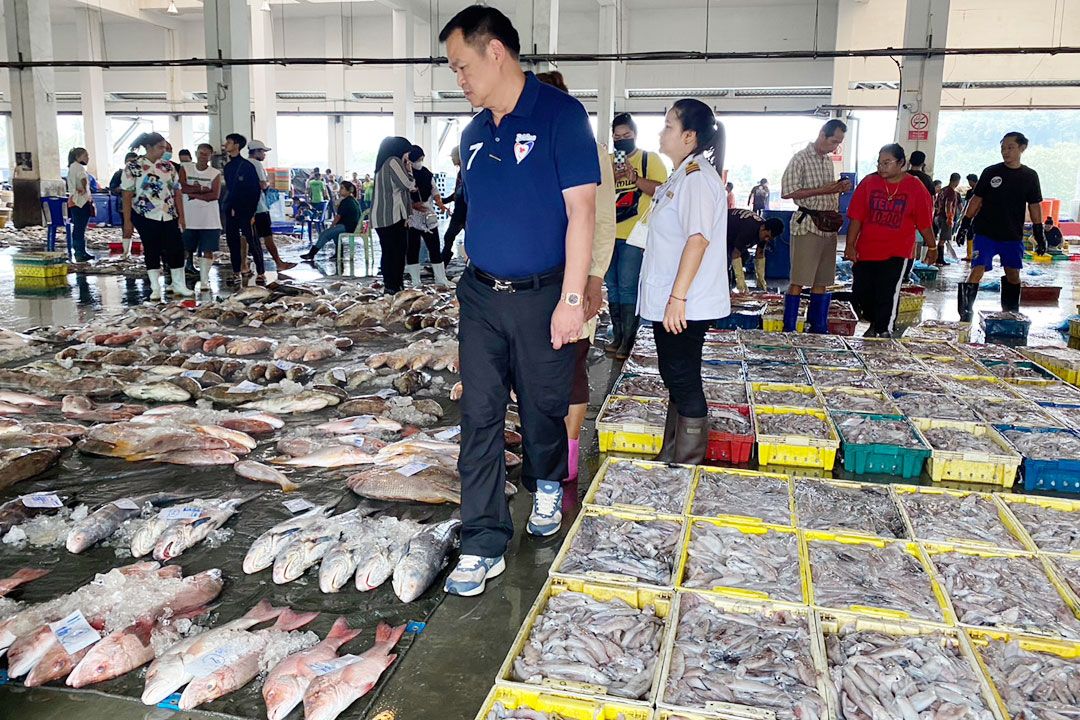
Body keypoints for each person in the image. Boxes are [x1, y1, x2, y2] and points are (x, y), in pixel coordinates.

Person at [438, 5, 599, 596]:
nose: (459, 79)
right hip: (480, 295)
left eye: (461, 66)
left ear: (495, 52)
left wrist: (573, 298)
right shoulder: (474, 132)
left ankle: (548, 480)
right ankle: (482, 541)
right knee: (478, 417)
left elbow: (582, 211)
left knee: (542, 406)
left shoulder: (561, 116)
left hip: (544, 297)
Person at [536, 69, 616, 487]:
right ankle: (542, 447)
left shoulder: (589, 148)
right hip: (532, 281)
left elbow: (602, 221)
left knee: (573, 365)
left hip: (576, 276)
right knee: (536, 368)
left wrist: (594, 277)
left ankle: (566, 456)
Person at [641, 98, 729, 465]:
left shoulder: (696, 179)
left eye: (669, 126)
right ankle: (673, 455)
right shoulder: (682, 175)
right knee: (676, 374)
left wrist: (677, 299)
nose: (662, 133)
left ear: (689, 136)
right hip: (674, 299)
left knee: (682, 376)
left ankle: (687, 464)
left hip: (684, 303)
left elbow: (698, 239)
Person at [844, 143, 936, 337]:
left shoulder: (915, 187)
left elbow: (924, 222)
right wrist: (850, 245)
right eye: (879, 163)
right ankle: (874, 322)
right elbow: (857, 217)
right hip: (867, 249)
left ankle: (884, 330)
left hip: (897, 251)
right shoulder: (869, 183)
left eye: (887, 162)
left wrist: (932, 246)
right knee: (861, 291)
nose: (881, 167)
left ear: (901, 163)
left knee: (887, 292)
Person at [956, 132, 1043, 320]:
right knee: (977, 270)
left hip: (1012, 234)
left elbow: (1034, 205)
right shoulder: (991, 172)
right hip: (986, 232)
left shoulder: (1029, 176)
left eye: (1010, 147)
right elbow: (976, 199)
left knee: (1013, 274)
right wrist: (964, 223)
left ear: (1022, 148)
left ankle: (1010, 313)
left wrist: (1039, 231)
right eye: (1003, 147)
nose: (1005, 151)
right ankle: (965, 314)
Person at [780, 119, 851, 332]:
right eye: (833, 141)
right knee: (800, 279)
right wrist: (825, 190)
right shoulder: (800, 159)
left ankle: (817, 325)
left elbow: (828, 189)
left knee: (823, 279)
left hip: (828, 226)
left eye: (839, 142)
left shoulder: (828, 161)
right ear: (822, 134)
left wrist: (839, 188)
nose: (835, 146)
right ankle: (790, 327)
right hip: (808, 225)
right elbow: (788, 192)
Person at [608, 111, 668, 360]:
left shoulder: (648, 158)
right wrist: (613, 176)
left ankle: (629, 340)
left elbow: (662, 191)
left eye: (626, 135)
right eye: (617, 136)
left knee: (627, 285)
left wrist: (635, 178)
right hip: (609, 232)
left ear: (635, 135)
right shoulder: (608, 161)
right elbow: (594, 191)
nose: (622, 139)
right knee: (611, 286)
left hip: (636, 234)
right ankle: (618, 335)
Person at [121, 132, 192, 300]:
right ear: (149, 147)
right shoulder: (133, 167)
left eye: (165, 148)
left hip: (168, 213)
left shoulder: (169, 167)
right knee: (152, 249)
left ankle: (178, 284)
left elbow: (177, 192)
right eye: (160, 147)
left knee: (176, 249)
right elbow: (127, 195)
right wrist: (127, 222)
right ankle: (155, 287)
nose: (163, 151)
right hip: (145, 214)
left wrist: (181, 216)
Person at [370, 136, 416, 294]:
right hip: (390, 216)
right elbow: (408, 184)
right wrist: (409, 170)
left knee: (391, 252)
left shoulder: (382, 164)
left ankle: (393, 286)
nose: (407, 157)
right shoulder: (393, 161)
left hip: (386, 217)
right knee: (395, 253)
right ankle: (393, 287)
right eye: (407, 153)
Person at [220, 133, 265, 284]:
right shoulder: (228, 167)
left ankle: (261, 272)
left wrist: (251, 212)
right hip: (231, 211)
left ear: (237, 146)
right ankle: (236, 271)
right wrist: (230, 207)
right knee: (232, 242)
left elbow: (255, 190)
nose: (226, 144)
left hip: (246, 211)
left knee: (252, 241)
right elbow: (231, 190)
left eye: (229, 142)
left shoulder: (247, 166)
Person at [246, 140, 296, 274]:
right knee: (267, 236)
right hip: (259, 207)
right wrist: (268, 184)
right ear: (256, 152)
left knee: (245, 237)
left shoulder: (242, 164)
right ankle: (279, 263)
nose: (264, 155)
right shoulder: (256, 164)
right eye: (263, 152)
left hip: (246, 207)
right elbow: (263, 185)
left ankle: (243, 266)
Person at [179, 142, 222, 294]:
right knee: (185, 248)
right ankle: (180, 281)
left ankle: (204, 280)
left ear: (210, 156)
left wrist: (193, 194)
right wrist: (202, 190)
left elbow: (214, 195)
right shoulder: (185, 168)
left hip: (209, 219)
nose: (203, 156)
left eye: (206, 154)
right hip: (189, 218)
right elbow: (182, 187)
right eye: (200, 153)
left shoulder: (215, 173)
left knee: (208, 249)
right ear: (196, 153)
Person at [404, 145, 450, 286]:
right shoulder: (405, 175)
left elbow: (434, 190)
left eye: (422, 159)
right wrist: (412, 205)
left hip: (428, 214)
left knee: (434, 247)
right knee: (412, 248)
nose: (420, 162)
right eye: (418, 159)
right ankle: (415, 281)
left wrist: (440, 204)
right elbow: (401, 195)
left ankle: (441, 279)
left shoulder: (426, 173)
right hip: (411, 217)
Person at [299, 181, 362, 261]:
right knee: (335, 234)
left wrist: (331, 226)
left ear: (348, 190)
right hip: (351, 226)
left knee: (325, 234)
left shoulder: (347, 201)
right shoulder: (352, 200)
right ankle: (339, 253)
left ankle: (311, 254)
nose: (340, 190)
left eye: (342, 188)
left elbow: (338, 216)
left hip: (348, 226)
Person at [727, 209, 784, 293]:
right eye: (766, 236)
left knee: (745, 256)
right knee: (725, 261)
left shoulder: (765, 231)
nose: (766, 239)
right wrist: (741, 282)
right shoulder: (749, 229)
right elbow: (735, 254)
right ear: (762, 228)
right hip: (724, 229)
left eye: (769, 238)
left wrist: (761, 281)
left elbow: (760, 254)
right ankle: (727, 286)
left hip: (735, 233)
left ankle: (732, 281)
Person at [66, 147, 95, 262]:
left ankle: (80, 251)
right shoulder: (79, 167)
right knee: (80, 228)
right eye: (85, 155)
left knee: (78, 228)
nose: (88, 158)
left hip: (74, 200)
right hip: (81, 201)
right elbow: (83, 179)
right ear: (78, 157)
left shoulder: (71, 167)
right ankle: (80, 252)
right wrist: (83, 188)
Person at [440, 145, 468, 265]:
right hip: (462, 211)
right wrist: (444, 201)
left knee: (449, 237)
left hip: (463, 212)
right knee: (449, 237)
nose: (452, 159)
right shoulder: (462, 172)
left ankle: (443, 263)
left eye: (453, 157)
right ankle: (443, 262)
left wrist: (445, 200)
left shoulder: (464, 172)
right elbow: (458, 193)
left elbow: (461, 193)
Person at [934, 172, 962, 265]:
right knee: (943, 239)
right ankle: (939, 259)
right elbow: (948, 205)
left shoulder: (942, 190)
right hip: (945, 217)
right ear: (957, 181)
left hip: (938, 216)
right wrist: (949, 217)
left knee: (941, 238)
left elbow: (937, 203)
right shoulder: (951, 191)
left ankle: (938, 258)